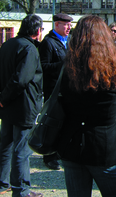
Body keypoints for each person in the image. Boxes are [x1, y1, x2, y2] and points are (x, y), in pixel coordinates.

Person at [56, 15, 116, 197]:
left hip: (72, 142)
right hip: (104, 145)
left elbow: (61, 100)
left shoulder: (68, 67)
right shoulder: (114, 67)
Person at [0, 14, 44, 197]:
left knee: (5, 145)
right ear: (37, 31)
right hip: (23, 106)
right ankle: (22, 190)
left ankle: (3, 183)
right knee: (21, 149)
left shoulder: (8, 44)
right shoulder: (29, 49)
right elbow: (21, 80)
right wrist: (1, 96)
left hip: (7, 105)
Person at [38, 13, 73, 170]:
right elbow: (42, 67)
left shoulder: (69, 41)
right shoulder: (48, 43)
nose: (68, 28)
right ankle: (49, 156)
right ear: (57, 25)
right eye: (65, 25)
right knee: (52, 122)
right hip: (53, 90)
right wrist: (62, 64)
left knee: (65, 121)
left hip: (67, 88)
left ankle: (60, 151)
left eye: (70, 25)